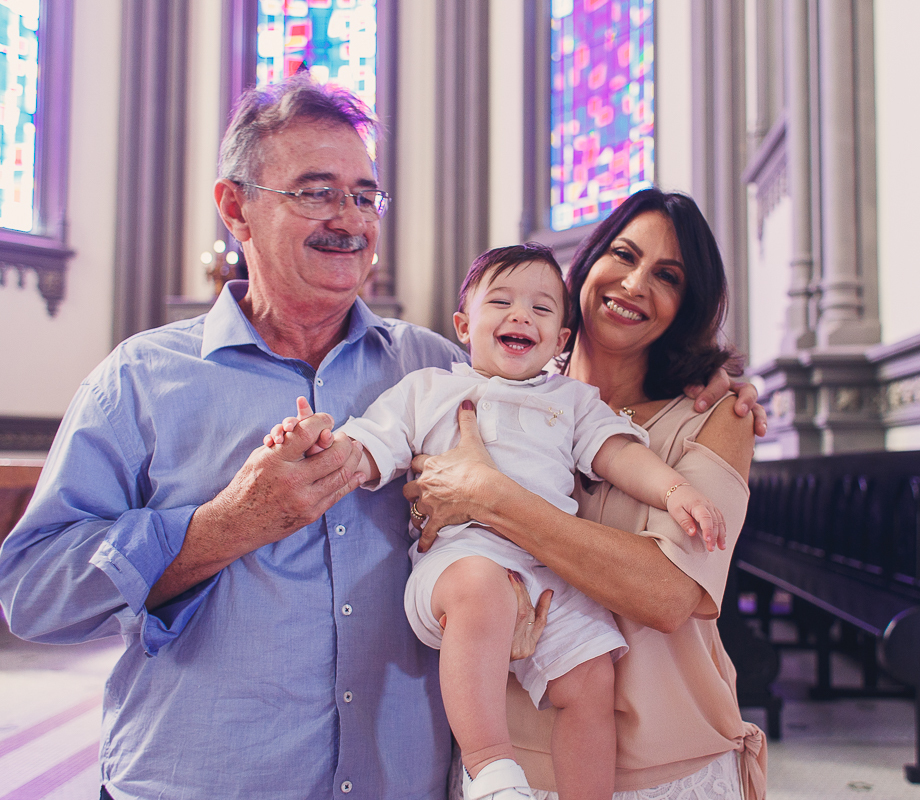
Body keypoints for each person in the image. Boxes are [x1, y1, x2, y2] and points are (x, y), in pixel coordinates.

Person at [0, 73, 763, 799]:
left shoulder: (436, 366)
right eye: (315, 193)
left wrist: (709, 378)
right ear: (235, 208)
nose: (350, 218)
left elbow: (570, 404)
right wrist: (225, 527)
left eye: (365, 195)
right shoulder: (141, 381)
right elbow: (34, 595)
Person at [266, 244, 727, 800]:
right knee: (481, 588)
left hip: (551, 570)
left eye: (540, 308)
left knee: (592, 675)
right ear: (464, 324)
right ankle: (492, 771)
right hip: (460, 564)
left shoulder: (574, 402)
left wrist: (675, 489)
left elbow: (619, 455)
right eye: (502, 301)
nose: (520, 316)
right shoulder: (429, 390)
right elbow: (370, 444)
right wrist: (319, 447)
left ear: (560, 341)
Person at [405, 189, 768, 800]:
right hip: (512, 764)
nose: (632, 283)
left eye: (667, 276)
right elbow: (428, 513)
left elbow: (669, 594)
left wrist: (492, 498)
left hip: (670, 765)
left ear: (687, 304)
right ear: (587, 264)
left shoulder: (718, 412)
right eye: (622, 255)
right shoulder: (496, 393)